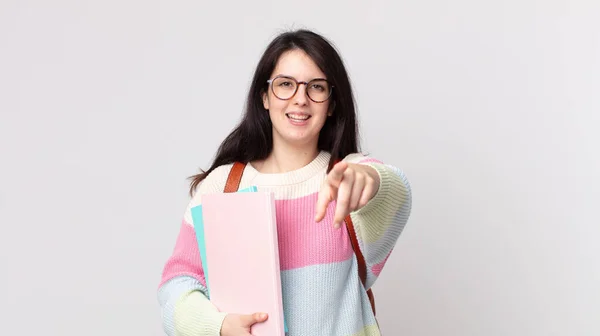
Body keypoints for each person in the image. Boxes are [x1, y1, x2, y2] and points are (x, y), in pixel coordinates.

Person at [157, 29, 412, 336]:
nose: (300, 99)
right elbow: (176, 285)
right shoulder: (222, 188)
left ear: (331, 104)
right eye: (285, 85)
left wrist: (370, 178)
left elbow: (395, 193)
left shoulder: (344, 179)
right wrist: (218, 326)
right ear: (264, 97)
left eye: (316, 87)